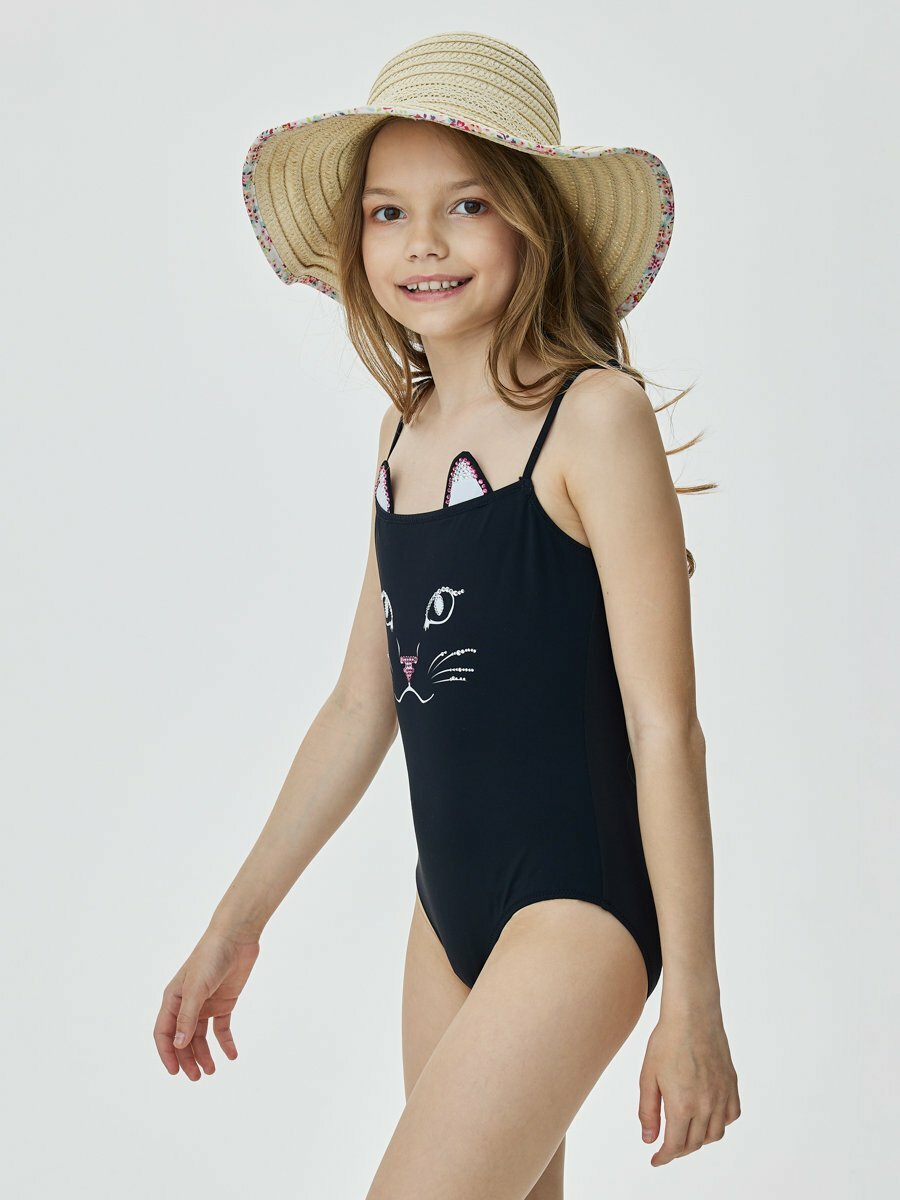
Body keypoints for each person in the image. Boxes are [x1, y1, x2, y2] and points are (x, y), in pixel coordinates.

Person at [153, 30, 741, 1196]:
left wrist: (696, 1001)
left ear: (531, 223)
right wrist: (234, 924)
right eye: (389, 212)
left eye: (466, 204)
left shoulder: (594, 417)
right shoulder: (403, 435)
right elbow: (359, 704)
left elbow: (665, 726)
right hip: (449, 914)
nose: (423, 241)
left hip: (577, 907)